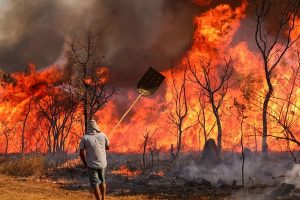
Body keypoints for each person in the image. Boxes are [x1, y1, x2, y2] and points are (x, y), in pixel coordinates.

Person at [79, 120, 109, 200]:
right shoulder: (103, 135)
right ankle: (103, 198)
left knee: (95, 184)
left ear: (88, 128)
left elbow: (81, 153)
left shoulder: (85, 138)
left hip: (91, 165)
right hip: (102, 163)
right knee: (103, 181)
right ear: (96, 127)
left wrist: (85, 163)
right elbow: (108, 147)